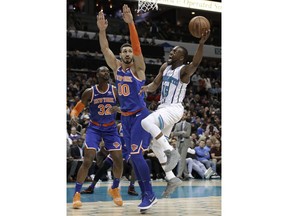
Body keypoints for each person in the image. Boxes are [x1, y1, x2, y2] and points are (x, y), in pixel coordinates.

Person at [96, 5, 157, 212]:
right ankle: (145, 194)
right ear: (121, 54)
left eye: (130, 50)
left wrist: (131, 23)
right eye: (124, 51)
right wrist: (102, 30)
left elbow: (138, 48)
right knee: (131, 157)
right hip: (126, 120)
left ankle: (149, 194)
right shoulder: (115, 67)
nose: (128, 53)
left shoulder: (139, 70)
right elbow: (105, 49)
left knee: (137, 155)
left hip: (141, 116)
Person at [139, 27, 210, 197]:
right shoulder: (165, 67)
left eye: (175, 51)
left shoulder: (184, 70)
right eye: (171, 50)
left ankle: (171, 151)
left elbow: (196, 63)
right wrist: (144, 89)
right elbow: (154, 85)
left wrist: (201, 43)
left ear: (182, 57)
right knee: (155, 146)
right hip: (164, 108)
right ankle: (171, 178)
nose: (171, 52)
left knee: (146, 122)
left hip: (174, 108)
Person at [70, 66, 124, 209]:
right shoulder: (90, 92)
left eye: (107, 71)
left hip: (111, 128)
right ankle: (76, 194)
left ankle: (115, 188)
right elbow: (76, 109)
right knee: (88, 160)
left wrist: (119, 109)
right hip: (94, 128)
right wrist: (74, 116)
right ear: (97, 74)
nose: (106, 72)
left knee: (118, 158)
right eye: (102, 71)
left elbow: (127, 106)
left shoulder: (114, 91)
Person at [80, 123, 139, 196]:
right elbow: (111, 135)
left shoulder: (135, 127)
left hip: (128, 152)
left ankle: (131, 187)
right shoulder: (119, 126)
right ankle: (91, 187)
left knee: (135, 166)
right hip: (118, 149)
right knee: (103, 167)